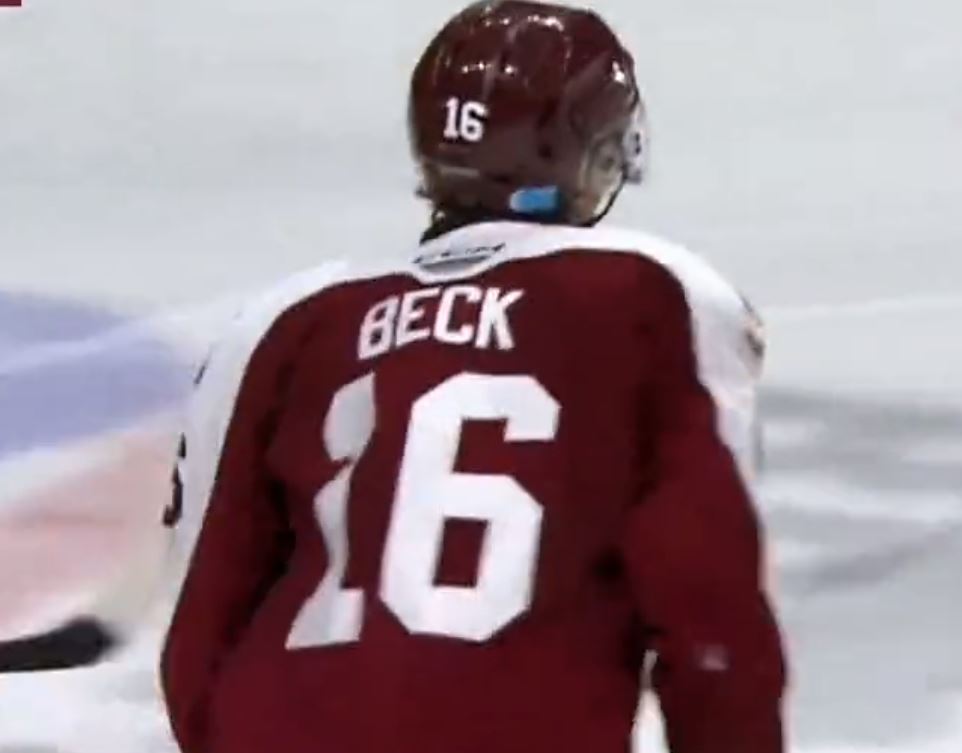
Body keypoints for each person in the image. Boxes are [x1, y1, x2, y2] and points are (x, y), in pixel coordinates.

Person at [161, 2, 787, 752]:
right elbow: (707, 605)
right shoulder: (647, 295)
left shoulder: (284, 322)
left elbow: (200, 623)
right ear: (593, 148)